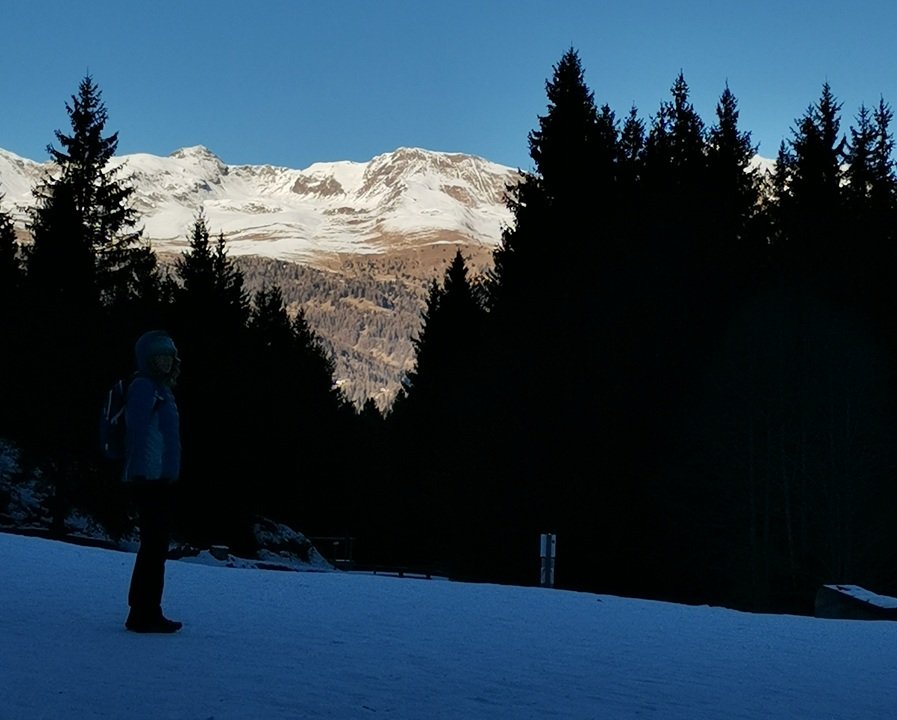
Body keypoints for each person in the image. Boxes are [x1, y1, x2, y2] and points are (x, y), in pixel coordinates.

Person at [123, 330, 183, 633]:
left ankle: (146, 609)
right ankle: (144, 611)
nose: (165, 361)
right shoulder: (145, 387)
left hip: (157, 477)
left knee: (155, 546)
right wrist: (137, 471)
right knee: (154, 545)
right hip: (148, 478)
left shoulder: (161, 388)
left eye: (168, 356)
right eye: (159, 356)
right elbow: (135, 431)